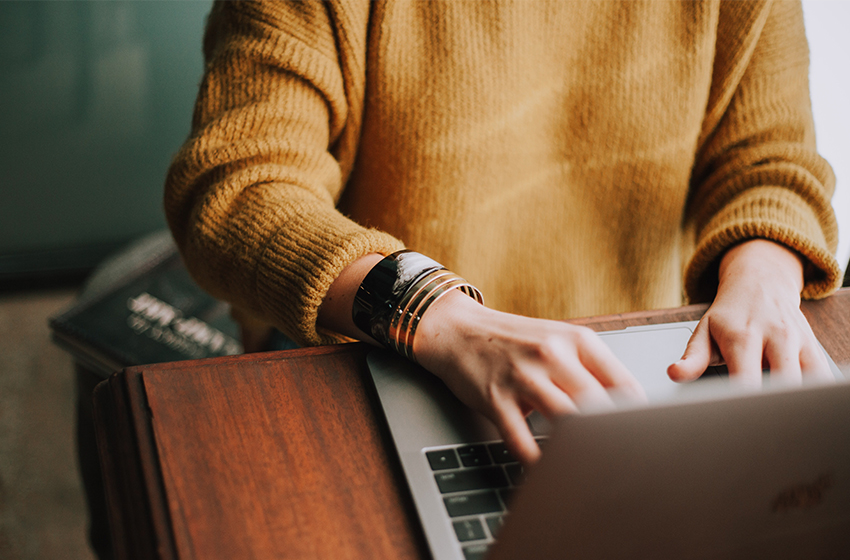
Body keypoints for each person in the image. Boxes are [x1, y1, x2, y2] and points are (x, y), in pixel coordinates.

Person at [164, 0, 842, 465]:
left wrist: (766, 273)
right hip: (379, 354)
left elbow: (771, 161)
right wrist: (434, 314)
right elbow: (236, 187)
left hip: (633, 376)